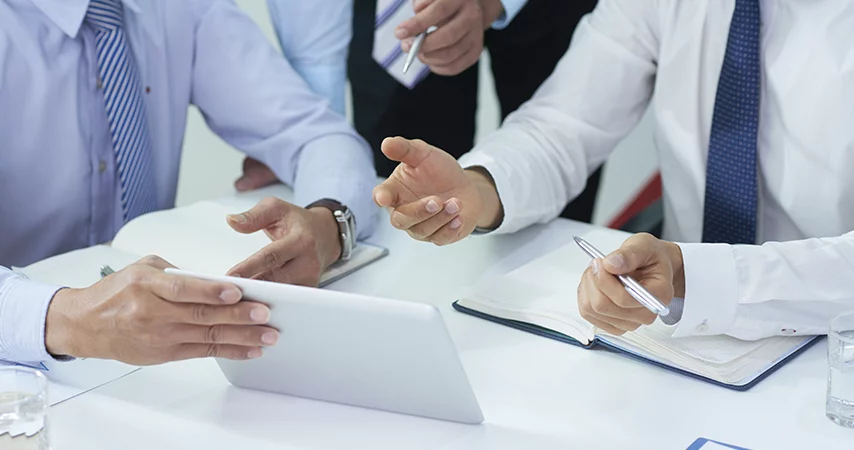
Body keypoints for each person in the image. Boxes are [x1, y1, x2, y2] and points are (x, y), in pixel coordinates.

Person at [372, 0, 854, 340]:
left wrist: (692, 274)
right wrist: (478, 189)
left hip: (829, 338)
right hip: (676, 330)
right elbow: (563, 125)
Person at [0, 0, 378, 364]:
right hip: (20, 365)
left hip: (159, 356)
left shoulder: (181, 6)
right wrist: (68, 318)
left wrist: (329, 221)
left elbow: (318, 135)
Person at [263, 0, 602, 224]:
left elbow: (564, 133)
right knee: (409, 189)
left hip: (548, 10)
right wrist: (309, 145)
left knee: (565, 160)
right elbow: (312, 41)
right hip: (395, 15)